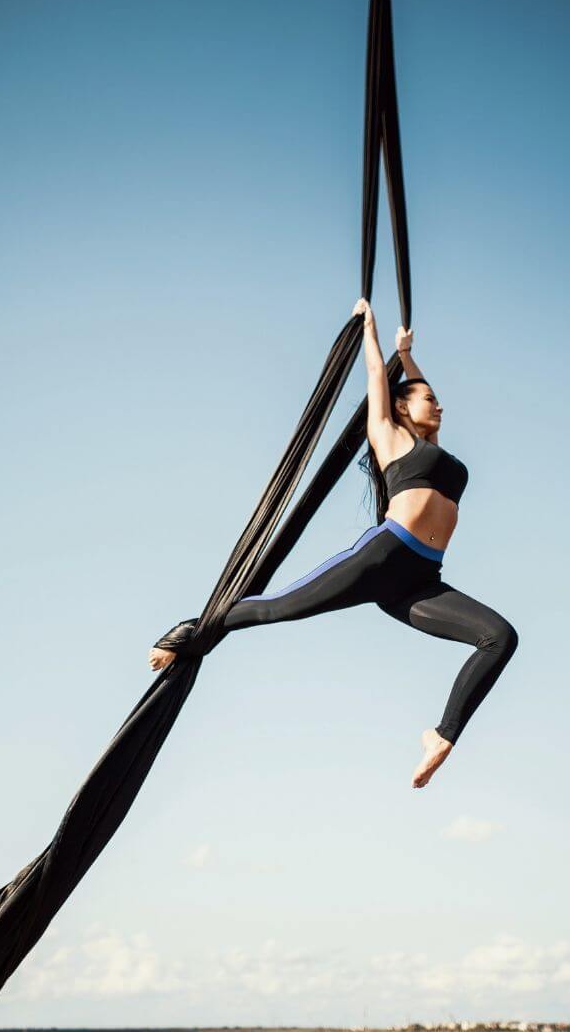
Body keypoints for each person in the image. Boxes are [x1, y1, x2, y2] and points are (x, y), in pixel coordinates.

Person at [148, 299, 518, 788]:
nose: (440, 403)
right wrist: (372, 328)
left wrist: (408, 356)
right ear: (403, 407)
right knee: (276, 607)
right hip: (381, 557)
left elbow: (422, 390)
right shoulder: (390, 436)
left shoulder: (440, 452)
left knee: (500, 637)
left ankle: (442, 735)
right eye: (429, 398)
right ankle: (189, 635)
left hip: (421, 581)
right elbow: (374, 374)